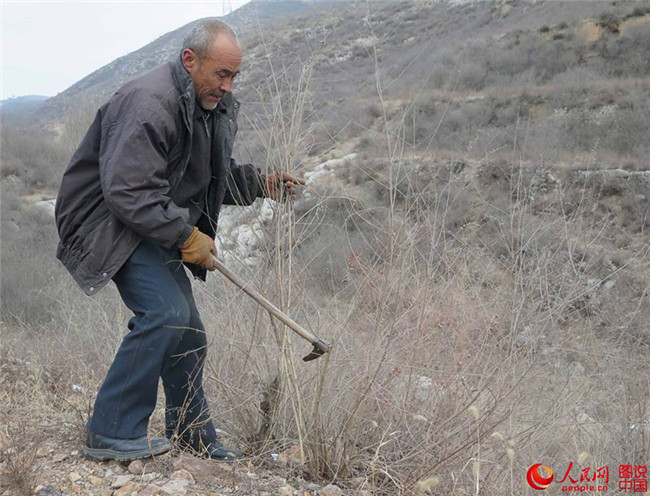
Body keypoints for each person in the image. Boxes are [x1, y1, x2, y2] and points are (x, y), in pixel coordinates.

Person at [54, 19, 304, 462]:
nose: (227, 85)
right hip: (106, 221)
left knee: (188, 329)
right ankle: (111, 431)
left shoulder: (206, 107)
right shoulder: (149, 103)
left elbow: (203, 177)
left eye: (233, 76)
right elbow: (128, 191)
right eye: (221, 74)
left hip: (149, 218)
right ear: (190, 61)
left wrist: (261, 185)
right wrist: (187, 234)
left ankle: (191, 433)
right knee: (166, 314)